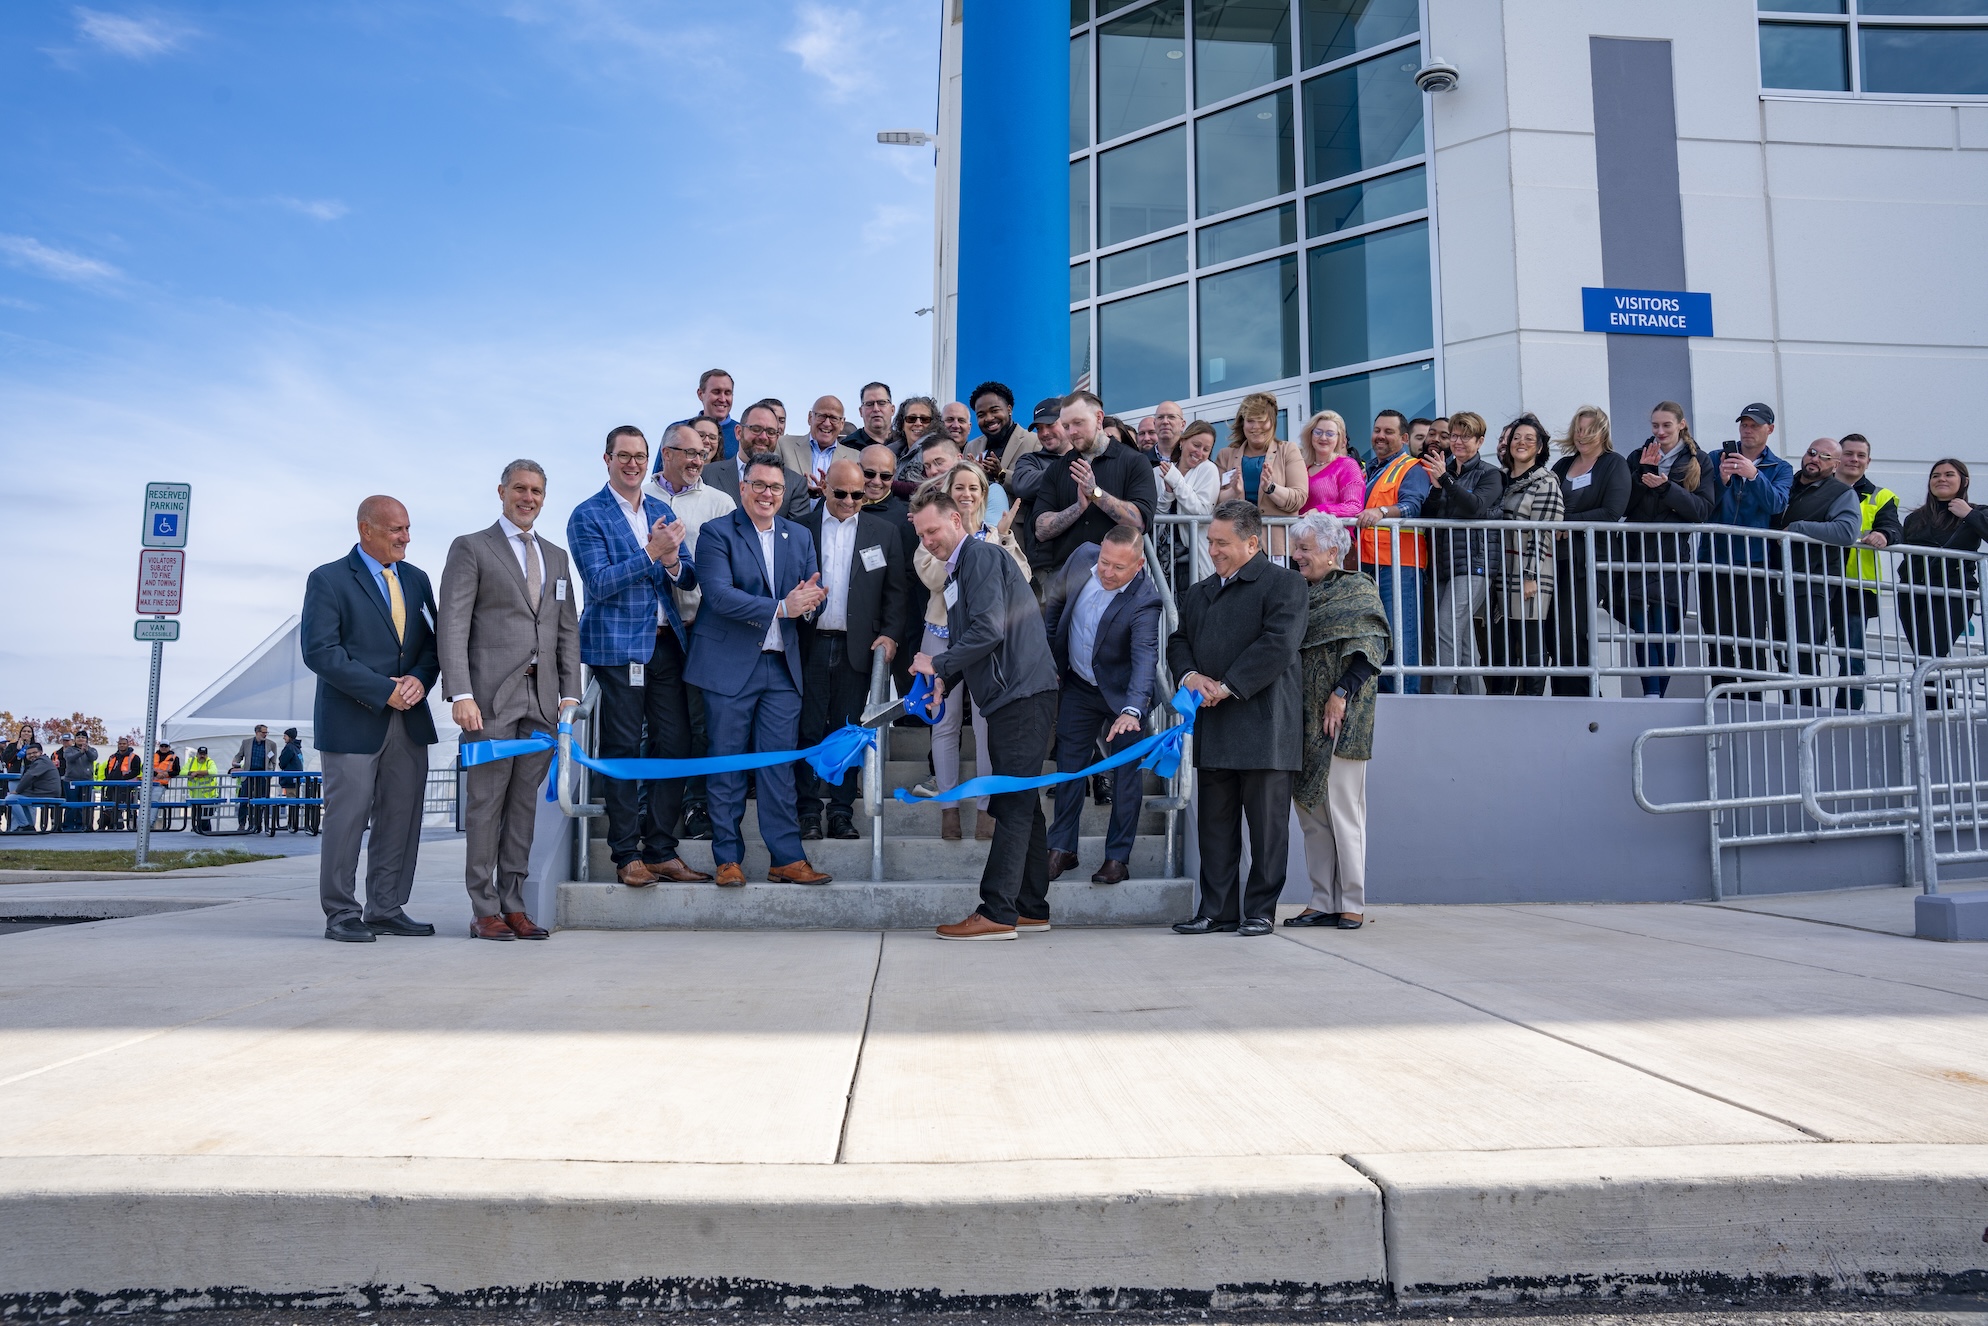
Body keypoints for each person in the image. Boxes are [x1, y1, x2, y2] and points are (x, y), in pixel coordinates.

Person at [909, 487, 1061, 940]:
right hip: (1014, 695)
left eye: (933, 530)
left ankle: (997, 911)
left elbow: (988, 631)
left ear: (957, 519)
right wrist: (944, 680)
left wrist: (935, 663)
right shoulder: (959, 572)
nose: (929, 541)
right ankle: (1031, 907)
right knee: (1024, 803)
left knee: (1011, 802)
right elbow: (974, 642)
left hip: (1022, 694)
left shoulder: (976, 557)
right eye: (921, 536)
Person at [440, 458, 583, 941]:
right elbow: (453, 624)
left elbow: (567, 631)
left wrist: (570, 693)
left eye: (537, 491)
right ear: (501, 492)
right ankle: (484, 909)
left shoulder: (557, 557)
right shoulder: (472, 548)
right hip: (488, 700)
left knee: (524, 806)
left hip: (542, 701)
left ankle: (514, 903)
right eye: (519, 489)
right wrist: (460, 692)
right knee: (486, 804)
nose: (528, 498)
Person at [569, 426, 710, 887]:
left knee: (676, 745)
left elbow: (687, 577)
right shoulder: (587, 515)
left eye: (639, 456)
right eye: (623, 456)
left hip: (667, 642)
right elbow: (600, 583)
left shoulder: (660, 509)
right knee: (623, 748)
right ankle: (626, 853)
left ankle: (662, 849)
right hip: (617, 647)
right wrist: (652, 552)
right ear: (607, 459)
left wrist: (671, 562)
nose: (632, 463)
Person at [685, 454, 834, 887]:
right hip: (728, 669)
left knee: (777, 768)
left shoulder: (800, 535)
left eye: (775, 487)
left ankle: (786, 858)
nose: (768, 494)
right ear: (743, 488)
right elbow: (718, 595)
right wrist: (783, 607)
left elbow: (809, 593)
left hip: (782, 671)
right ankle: (727, 859)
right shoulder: (717, 533)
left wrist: (807, 605)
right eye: (760, 485)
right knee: (727, 765)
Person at [301, 495, 442, 941]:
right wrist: (385, 691)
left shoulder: (417, 580)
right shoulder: (328, 579)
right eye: (396, 530)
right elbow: (321, 652)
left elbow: (432, 645)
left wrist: (419, 680)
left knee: (401, 818)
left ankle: (386, 907)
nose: (406, 537)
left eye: (407, 528)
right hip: (353, 722)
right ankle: (341, 913)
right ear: (366, 530)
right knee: (347, 820)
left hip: (410, 720)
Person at [1167, 501, 1307, 936]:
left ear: (1252, 542)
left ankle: (1260, 910)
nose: (1213, 550)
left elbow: (1277, 646)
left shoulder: (1285, 585)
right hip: (1215, 727)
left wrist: (1224, 686)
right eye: (1210, 541)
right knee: (1214, 828)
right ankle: (1217, 910)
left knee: (1267, 832)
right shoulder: (1200, 591)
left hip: (1266, 727)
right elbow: (1179, 641)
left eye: (1222, 542)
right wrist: (1191, 677)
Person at [1280, 513, 1388, 930]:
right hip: (1302, 718)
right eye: (1296, 548)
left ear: (1331, 551)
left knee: (1344, 810)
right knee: (1311, 813)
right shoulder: (1296, 593)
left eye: (1305, 549)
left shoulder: (1357, 588)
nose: (1297, 556)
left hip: (1343, 715)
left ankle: (1352, 901)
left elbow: (1369, 647)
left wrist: (1340, 695)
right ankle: (1322, 898)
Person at [913, 460, 1027, 840]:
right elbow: (932, 575)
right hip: (940, 635)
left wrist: (1000, 539)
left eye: (973, 488)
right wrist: (977, 546)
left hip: (982, 642)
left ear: (983, 494)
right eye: (958, 487)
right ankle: (948, 808)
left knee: (984, 724)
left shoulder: (998, 533)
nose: (966, 494)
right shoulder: (931, 532)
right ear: (948, 492)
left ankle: (984, 809)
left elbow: (1021, 579)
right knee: (943, 723)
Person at [796, 457, 908, 841]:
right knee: (808, 730)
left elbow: (896, 593)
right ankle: (808, 811)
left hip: (857, 649)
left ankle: (841, 811)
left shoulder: (885, 531)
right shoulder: (800, 528)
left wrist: (891, 634)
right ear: (824, 485)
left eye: (857, 495)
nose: (848, 502)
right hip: (809, 645)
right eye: (841, 493)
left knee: (849, 732)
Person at [1042, 527, 1161, 885]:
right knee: (1069, 769)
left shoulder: (1146, 599)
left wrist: (1132, 710)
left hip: (1124, 697)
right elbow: (1054, 606)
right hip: (1078, 685)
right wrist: (1051, 664)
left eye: (1118, 568)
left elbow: (1145, 658)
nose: (1107, 573)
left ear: (1139, 565)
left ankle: (1117, 858)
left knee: (1126, 777)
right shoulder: (1082, 557)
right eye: (1104, 563)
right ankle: (1062, 848)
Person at [646, 421, 737, 838]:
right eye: (690, 453)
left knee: (702, 724)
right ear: (667, 454)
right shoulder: (638, 498)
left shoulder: (721, 503)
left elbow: (735, 566)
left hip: (702, 628)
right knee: (656, 727)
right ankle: (650, 807)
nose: (699, 460)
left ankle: (696, 806)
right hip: (654, 634)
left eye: (703, 454)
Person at [1618, 402, 1717, 698]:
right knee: (1642, 628)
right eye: (1655, 426)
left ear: (1681, 425)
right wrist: (1643, 475)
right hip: (1636, 553)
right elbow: (1622, 506)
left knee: (1664, 626)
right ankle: (1650, 693)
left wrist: (1665, 488)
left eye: (1666, 426)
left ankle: (1658, 695)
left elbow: (1702, 510)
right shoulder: (1638, 457)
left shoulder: (1699, 460)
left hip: (1671, 555)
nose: (1659, 432)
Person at [1699, 403, 1794, 689]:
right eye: (1744, 424)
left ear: (1770, 429)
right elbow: (1703, 506)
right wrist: (1722, 480)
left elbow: (1777, 504)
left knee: (1751, 634)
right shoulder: (1715, 458)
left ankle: (1753, 700)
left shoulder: (1781, 467)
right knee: (1716, 634)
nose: (1747, 429)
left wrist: (1754, 475)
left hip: (1753, 561)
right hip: (1713, 557)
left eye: (1755, 424)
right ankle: (1723, 696)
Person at [1770, 438, 1861, 705]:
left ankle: (1808, 712)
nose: (1815, 459)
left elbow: (1846, 532)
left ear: (1835, 465)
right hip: (1775, 580)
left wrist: (1799, 529)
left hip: (1811, 584)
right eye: (1811, 453)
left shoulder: (1840, 492)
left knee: (1805, 653)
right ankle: (1790, 710)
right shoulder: (1786, 483)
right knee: (1782, 652)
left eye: (1824, 456)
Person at [1546, 405, 1630, 697]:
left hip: (1589, 561)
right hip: (1555, 559)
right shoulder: (1561, 467)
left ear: (1602, 432)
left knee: (1574, 630)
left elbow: (1612, 512)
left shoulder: (1613, 464)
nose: (1582, 436)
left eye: (1589, 431)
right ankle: (1562, 696)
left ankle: (1584, 697)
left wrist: (1567, 523)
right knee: (1554, 632)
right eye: (1578, 430)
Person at [1423, 411, 1504, 695]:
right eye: (1454, 435)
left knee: (1446, 626)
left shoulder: (1490, 473)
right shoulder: (1443, 470)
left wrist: (1444, 480)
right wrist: (1435, 489)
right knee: (1463, 637)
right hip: (1443, 564)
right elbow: (1429, 515)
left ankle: (1443, 695)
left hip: (1474, 563)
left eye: (1465, 436)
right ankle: (1473, 699)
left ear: (1480, 441)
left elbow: (1476, 507)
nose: (1457, 441)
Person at [1034, 390, 1158, 569]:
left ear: (1099, 418)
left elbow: (1139, 523)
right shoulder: (1057, 469)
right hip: (1067, 578)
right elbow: (1041, 530)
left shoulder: (1134, 461)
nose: (1072, 432)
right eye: (1066, 426)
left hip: (1118, 576)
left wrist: (1095, 494)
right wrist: (1077, 508)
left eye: (1078, 423)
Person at [1486, 416, 1564, 696]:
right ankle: (1503, 703)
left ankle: (1531, 702)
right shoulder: (1500, 479)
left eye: (1529, 439)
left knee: (1529, 642)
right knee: (1502, 644)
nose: (1521, 443)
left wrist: (1530, 575)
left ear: (1540, 447)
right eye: (1517, 437)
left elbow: (1543, 532)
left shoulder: (1546, 482)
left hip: (1530, 572)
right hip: (1501, 571)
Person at [1827, 434, 1904, 710]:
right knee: (1805, 654)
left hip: (1856, 588)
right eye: (1849, 454)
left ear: (1868, 462)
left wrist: (1884, 534)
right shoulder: (1815, 487)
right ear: (1837, 457)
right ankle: (1804, 710)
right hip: (1815, 583)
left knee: (1853, 659)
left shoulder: (1880, 496)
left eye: (1861, 455)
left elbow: (1894, 527)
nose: (1854, 460)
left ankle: (1847, 715)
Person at [1356, 410, 1431, 694]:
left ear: (1403, 438)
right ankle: (1385, 695)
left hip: (1401, 565)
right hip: (1369, 563)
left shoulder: (1411, 467)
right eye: (1377, 430)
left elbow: (1413, 505)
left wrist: (1383, 511)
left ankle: (1405, 697)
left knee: (1401, 636)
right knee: (1376, 635)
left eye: (1388, 432)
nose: (1380, 436)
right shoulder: (1371, 469)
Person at [1898, 458, 1988, 665]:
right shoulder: (1914, 518)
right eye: (1935, 476)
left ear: (1964, 481)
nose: (1941, 479)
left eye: (1949, 475)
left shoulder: (1978, 512)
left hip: (1952, 593)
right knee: (1923, 660)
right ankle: (1935, 699)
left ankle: (1935, 698)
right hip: (1913, 593)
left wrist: (1969, 514)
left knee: (1929, 656)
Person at [706, 404, 811, 520]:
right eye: (756, 429)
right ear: (738, 432)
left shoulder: (795, 484)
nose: (763, 437)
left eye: (770, 432)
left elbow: (797, 534)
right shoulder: (708, 475)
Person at [1007, 397, 1070, 585]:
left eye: (1050, 425)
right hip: (1047, 566)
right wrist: (1070, 464)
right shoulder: (1030, 460)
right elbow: (1023, 485)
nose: (1044, 433)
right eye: (1039, 428)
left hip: (1089, 557)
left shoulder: (1088, 457)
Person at [1215, 392, 1306, 517]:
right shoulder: (1225, 455)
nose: (1256, 427)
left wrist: (1270, 488)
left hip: (1274, 535)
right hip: (1237, 535)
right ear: (1243, 423)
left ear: (1272, 422)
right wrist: (1234, 492)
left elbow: (1299, 498)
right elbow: (1215, 500)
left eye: (1262, 421)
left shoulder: (1288, 450)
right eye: (1250, 421)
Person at [1156, 419, 1222, 587]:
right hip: (1161, 554)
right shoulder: (1158, 472)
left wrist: (1176, 482)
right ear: (1183, 441)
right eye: (1196, 445)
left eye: (1206, 449)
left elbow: (1202, 511)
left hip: (1192, 555)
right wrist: (1168, 494)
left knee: (1191, 608)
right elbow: (1156, 515)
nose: (1200, 452)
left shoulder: (1208, 469)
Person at [780, 397, 863, 502]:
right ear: (810, 417)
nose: (827, 423)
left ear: (842, 423)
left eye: (833, 418)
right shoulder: (783, 445)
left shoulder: (855, 458)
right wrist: (800, 488)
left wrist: (826, 491)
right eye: (822, 416)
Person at [1299, 410, 1366, 520]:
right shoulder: (1302, 466)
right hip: (1301, 534)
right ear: (1310, 435)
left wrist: (1320, 511)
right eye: (1318, 432)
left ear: (1339, 439)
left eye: (1330, 434)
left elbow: (1354, 507)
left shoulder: (1347, 465)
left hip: (1333, 535)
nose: (1323, 438)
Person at [968, 381, 1038, 475]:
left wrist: (1001, 474)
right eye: (981, 415)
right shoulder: (971, 447)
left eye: (994, 410)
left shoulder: (1034, 442)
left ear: (1009, 409)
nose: (989, 418)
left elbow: (1037, 483)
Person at [229, 724, 276, 833]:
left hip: (263, 777)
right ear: (257, 732)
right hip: (248, 776)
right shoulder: (246, 743)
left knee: (261, 801)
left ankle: (257, 823)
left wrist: (271, 772)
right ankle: (242, 824)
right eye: (263, 732)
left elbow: (273, 761)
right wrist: (235, 761)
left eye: (266, 733)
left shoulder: (271, 744)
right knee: (244, 800)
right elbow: (239, 755)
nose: (265, 735)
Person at [3, 742, 56, 833]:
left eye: (34, 753)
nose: (32, 755)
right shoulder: (42, 761)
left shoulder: (41, 762)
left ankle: (24, 825)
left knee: (10, 799)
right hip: (42, 792)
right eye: (29, 754)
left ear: (41, 752)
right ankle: (29, 825)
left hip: (46, 793)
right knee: (21, 799)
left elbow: (30, 776)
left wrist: (17, 790)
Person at [56, 731, 97, 831]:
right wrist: (80, 752)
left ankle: (82, 825)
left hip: (87, 781)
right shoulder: (69, 749)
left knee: (84, 804)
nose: (81, 739)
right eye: (78, 737)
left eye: (83, 737)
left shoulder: (92, 750)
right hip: (71, 780)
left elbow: (93, 757)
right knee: (71, 804)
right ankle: (68, 825)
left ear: (87, 739)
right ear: (75, 739)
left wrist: (86, 750)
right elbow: (69, 759)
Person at [102, 735, 141, 831]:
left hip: (126, 786)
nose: (122, 746)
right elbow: (108, 769)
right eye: (120, 744)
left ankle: (119, 825)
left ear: (128, 745)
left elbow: (135, 771)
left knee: (121, 806)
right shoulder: (112, 757)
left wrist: (123, 778)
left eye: (124, 744)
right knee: (108, 805)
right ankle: (110, 824)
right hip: (111, 785)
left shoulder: (134, 757)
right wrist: (108, 778)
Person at [277, 727, 306, 832]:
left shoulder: (289, 748)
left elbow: (282, 762)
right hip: (296, 779)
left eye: (285, 736)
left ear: (289, 737)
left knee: (292, 801)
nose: (283, 738)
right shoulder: (297, 748)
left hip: (290, 779)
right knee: (294, 801)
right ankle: (293, 822)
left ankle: (292, 824)